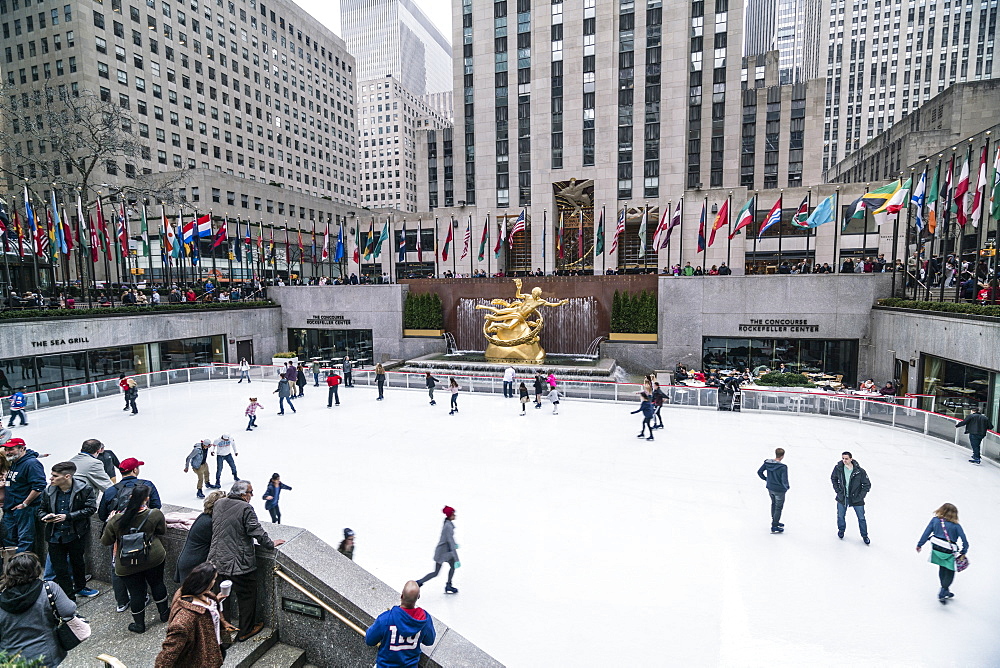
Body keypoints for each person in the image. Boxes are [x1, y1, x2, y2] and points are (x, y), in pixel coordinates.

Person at [207, 481, 285, 642]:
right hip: (239, 563)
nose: (252, 495)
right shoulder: (245, 508)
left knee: (222, 597)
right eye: (250, 492)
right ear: (243, 494)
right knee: (247, 595)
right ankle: (245, 630)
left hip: (217, 560)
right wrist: (270, 544)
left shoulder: (219, 503)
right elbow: (256, 531)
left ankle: (223, 631)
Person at [101, 484, 169, 633]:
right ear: (147, 499)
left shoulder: (117, 519)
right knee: (157, 583)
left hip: (127, 562)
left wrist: (110, 522)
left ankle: (139, 625)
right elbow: (161, 531)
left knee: (136, 592)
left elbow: (106, 541)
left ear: (130, 498)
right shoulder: (155, 514)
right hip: (153, 557)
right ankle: (164, 614)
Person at [98, 457, 163, 614]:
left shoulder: (111, 491)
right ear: (135, 470)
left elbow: (101, 515)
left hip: (120, 540)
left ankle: (121, 601)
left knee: (118, 569)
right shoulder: (146, 485)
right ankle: (157, 605)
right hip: (144, 539)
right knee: (152, 575)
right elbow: (156, 507)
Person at [0, 552, 78, 666]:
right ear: (36, 570)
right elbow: (69, 610)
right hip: (46, 656)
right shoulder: (49, 589)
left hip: (12, 660)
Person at [38, 461, 100, 601]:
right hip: (54, 535)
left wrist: (68, 516)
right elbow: (41, 510)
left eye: (55, 476)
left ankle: (80, 587)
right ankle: (69, 598)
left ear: (67, 476)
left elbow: (91, 509)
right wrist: (44, 517)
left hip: (75, 534)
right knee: (60, 569)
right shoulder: (48, 491)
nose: (51, 478)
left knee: (77, 562)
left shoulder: (84, 489)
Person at [155, 562, 233, 668]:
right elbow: (167, 655)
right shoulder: (183, 621)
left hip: (213, 648)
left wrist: (216, 602)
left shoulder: (205, 595)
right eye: (214, 579)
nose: (215, 582)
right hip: (200, 660)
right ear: (207, 583)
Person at [365, 581, 436, 667]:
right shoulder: (424, 620)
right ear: (418, 597)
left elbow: (369, 640)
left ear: (401, 596)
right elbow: (429, 641)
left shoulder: (385, 619)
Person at [916, 503, 969, 603]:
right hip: (949, 551)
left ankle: (945, 589)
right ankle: (944, 590)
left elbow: (926, 532)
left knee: (942, 567)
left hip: (936, 549)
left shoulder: (935, 520)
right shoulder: (956, 526)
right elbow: (964, 540)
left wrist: (920, 544)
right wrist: (964, 551)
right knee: (950, 570)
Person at [2, 438, 46, 553]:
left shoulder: (31, 463)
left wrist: (25, 503)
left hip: (25, 510)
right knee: (9, 539)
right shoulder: (15, 462)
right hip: (10, 509)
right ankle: (12, 566)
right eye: (6, 449)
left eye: (11, 449)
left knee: (25, 540)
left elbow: (39, 486)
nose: (8, 452)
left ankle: (22, 568)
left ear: (22, 449)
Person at [174, 490, 225, 583]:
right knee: (192, 596)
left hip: (189, 562)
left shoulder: (204, 516)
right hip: (194, 566)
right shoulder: (210, 522)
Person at [416, 506, 459, 594]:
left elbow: (449, 540)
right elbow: (449, 540)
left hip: (445, 552)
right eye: (453, 514)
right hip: (443, 553)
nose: (455, 515)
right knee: (436, 572)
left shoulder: (447, 524)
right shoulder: (448, 526)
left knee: (451, 567)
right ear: (450, 515)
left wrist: (454, 544)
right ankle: (419, 582)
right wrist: (457, 558)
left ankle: (448, 585)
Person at [830, 452, 871, 544]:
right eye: (843, 458)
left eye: (846, 459)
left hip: (856, 499)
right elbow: (833, 478)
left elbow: (867, 485)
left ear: (851, 459)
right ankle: (841, 530)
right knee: (840, 516)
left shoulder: (859, 471)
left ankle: (864, 535)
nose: (844, 460)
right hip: (843, 497)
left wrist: (860, 496)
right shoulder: (838, 468)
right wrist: (838, 491)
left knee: (861, 518)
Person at [757, 448, 789, 534]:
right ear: (782, 456)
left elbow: (760, 472)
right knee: (778, 507)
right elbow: (784, 480)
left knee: (774, 504)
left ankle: (775, 520)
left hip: (770, 487)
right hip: (779, 489)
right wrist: (786, 487)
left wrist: (766, 479)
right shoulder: (783, 467)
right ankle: (775, 525)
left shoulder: (767, 463)